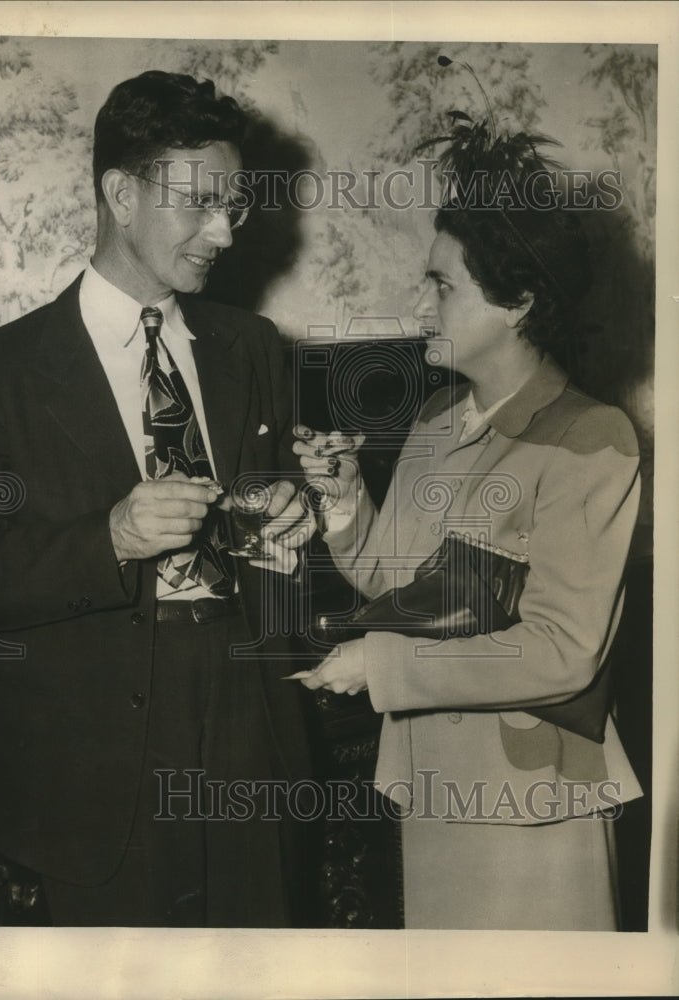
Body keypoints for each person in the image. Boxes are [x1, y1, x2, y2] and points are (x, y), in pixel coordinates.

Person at [0, 70, 317, 928]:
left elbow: (289, 550)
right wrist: (112, 536)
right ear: (120, 193)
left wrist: (301, 520)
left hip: (248, 726)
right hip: (90, 757)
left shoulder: (254, 347)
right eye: (199, 204)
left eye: (233, 206)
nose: (224, 232)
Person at [294, 143, 644, 930]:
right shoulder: (433, 422)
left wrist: (379, 664)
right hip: (431, 786)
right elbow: (398, 590)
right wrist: (346, 504)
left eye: (441, 284)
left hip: (533, 798)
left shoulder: (591, 437)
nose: (420, 306)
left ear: (517, 300)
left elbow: (563, 650)